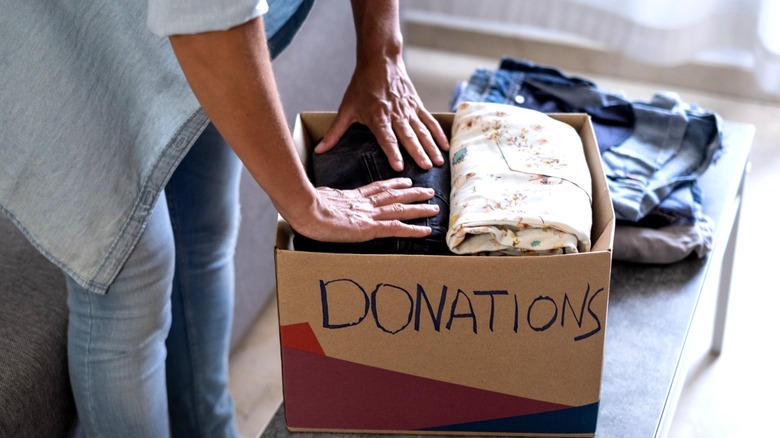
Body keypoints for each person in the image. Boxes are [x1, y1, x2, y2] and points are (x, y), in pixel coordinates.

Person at [0, 0, 448, 436]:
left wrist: (382, 51)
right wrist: (307, 205)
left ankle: (210, 428)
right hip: (71, 32)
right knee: (131, 277)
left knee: (206, 227)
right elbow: (207, 19)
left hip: (186, 19)